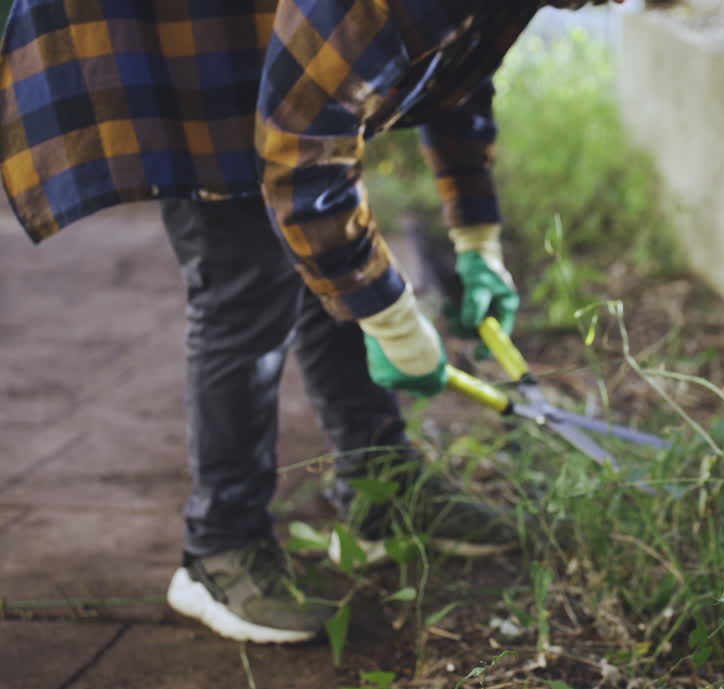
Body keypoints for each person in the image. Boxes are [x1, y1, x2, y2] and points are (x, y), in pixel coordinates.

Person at [0, 0, 619, 644]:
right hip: (170, 34)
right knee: (244, 279)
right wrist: (393, 321)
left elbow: (455, 61)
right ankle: (218, 552)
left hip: (256, 30)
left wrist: (477, 235)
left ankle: (380, 491)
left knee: (329, 240)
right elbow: (301, 146)